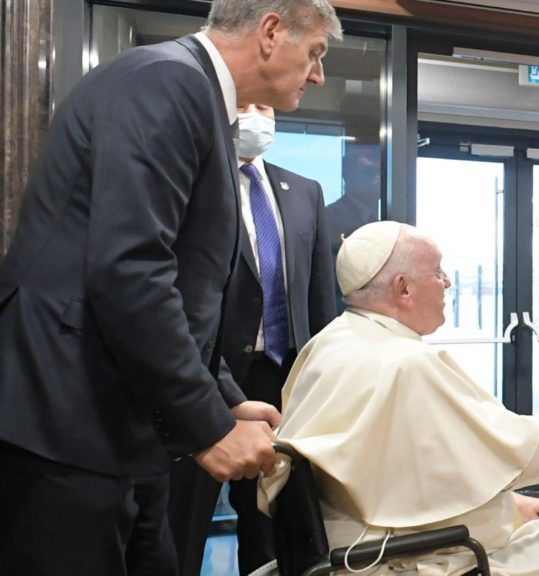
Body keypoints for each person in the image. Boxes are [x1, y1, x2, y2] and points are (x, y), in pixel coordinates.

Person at [0, 0, 342, 573]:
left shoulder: (197, 97)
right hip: (65, 424)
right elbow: (130, 270)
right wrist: (209, 427)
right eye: (315, 53)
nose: (318, 74)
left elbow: (184, 296)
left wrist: (226, 397)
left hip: (123, 425)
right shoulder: (168, 82)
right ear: (271, 32)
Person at [258, 221, 539, 576]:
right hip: (394, 559)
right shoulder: (405, 362)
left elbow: (406, 478)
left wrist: (508, 507)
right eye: (438, 271)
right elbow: (512, 448)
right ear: (403, 288)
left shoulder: (330, 342)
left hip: (349, 545)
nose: (448, 282)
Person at [167, 103, 338, 576]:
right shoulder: (199, 183)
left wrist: (325, 373)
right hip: (209, 375)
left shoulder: (305, 192)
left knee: (273, 523)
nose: (255, 115)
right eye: (243, 105)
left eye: (265, 107)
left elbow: (320, 293)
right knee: (185, 514)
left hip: (286, 380)